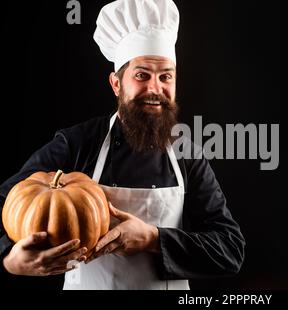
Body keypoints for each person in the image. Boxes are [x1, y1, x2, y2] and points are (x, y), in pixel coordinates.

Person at [0, 0, 245, 290]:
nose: (155, 89)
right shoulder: (78, 144)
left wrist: (152, 238)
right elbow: (10, 200)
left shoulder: (186, 153)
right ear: (117, 84)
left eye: (165, 76)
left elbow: (230, 250)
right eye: (142, 75)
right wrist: (10, 259)